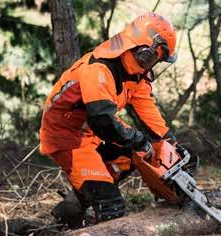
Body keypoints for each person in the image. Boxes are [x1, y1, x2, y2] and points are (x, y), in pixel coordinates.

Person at [39, 12, 182, 228]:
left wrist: (171, 145)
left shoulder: (136, 74)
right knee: (112, 206)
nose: (153, 66)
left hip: (91, 134)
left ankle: (67, 215)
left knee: (134, 155)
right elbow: (102, 120)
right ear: (144, 52)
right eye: (155, 59)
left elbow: (149, 113)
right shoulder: (98, 69)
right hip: (68, 138)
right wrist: (137, 138)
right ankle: (97, 208)